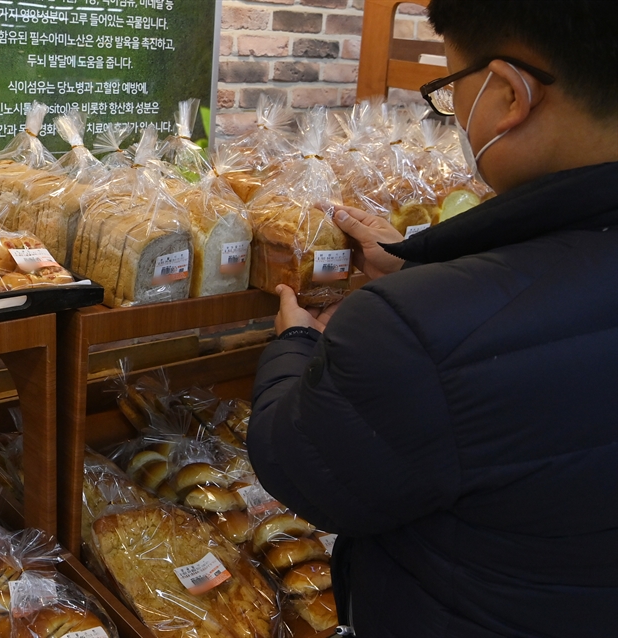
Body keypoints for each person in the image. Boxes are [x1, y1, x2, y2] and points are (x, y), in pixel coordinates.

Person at [248, 1, 617, 636]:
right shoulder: (437, 311)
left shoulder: (411, 327)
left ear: (507, 93)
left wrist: (296, 345)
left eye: (452, 90)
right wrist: (429, 275)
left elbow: (305, 469)